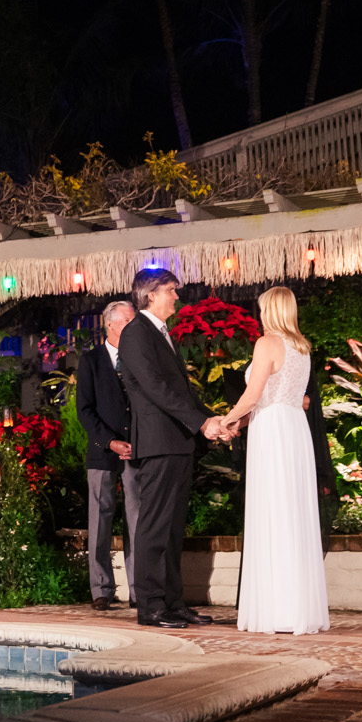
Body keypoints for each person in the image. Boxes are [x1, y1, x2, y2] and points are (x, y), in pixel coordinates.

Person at [116, 266, 231, 629]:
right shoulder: (137, 333)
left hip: (177, 443)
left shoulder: (161, 333)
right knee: (154, 527)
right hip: (159, 444)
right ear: (151, 294)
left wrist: (212, 423)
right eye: (171, 290)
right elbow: (155, 388)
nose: (177, 296)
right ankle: (151, 607)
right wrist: (201, 423)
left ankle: (173, 603)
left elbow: (181, 391)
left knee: (172, 528)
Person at [219, 286, 329, 634]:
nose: (260, 313)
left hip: (273, 432)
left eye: (263, 308)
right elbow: (277, 396)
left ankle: (276, 609)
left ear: (272, 310)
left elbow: (254, 395)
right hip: (293, 429)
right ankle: (297, 609)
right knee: (292, 512)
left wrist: (225, 419)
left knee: (272, 512)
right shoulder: (302, 347)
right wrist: (240, 421)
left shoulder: (267, 343)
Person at [77, 300, 141, 612]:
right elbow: (85, 411)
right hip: (103, 451)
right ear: (111, 325)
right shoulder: (91, 361)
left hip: (136, 451)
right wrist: (110, 441)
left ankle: (140, 588)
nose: (134, 325)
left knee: (137, 520)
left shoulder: (138, 359)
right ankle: (101, 589)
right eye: (129, 321)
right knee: (100, 521)